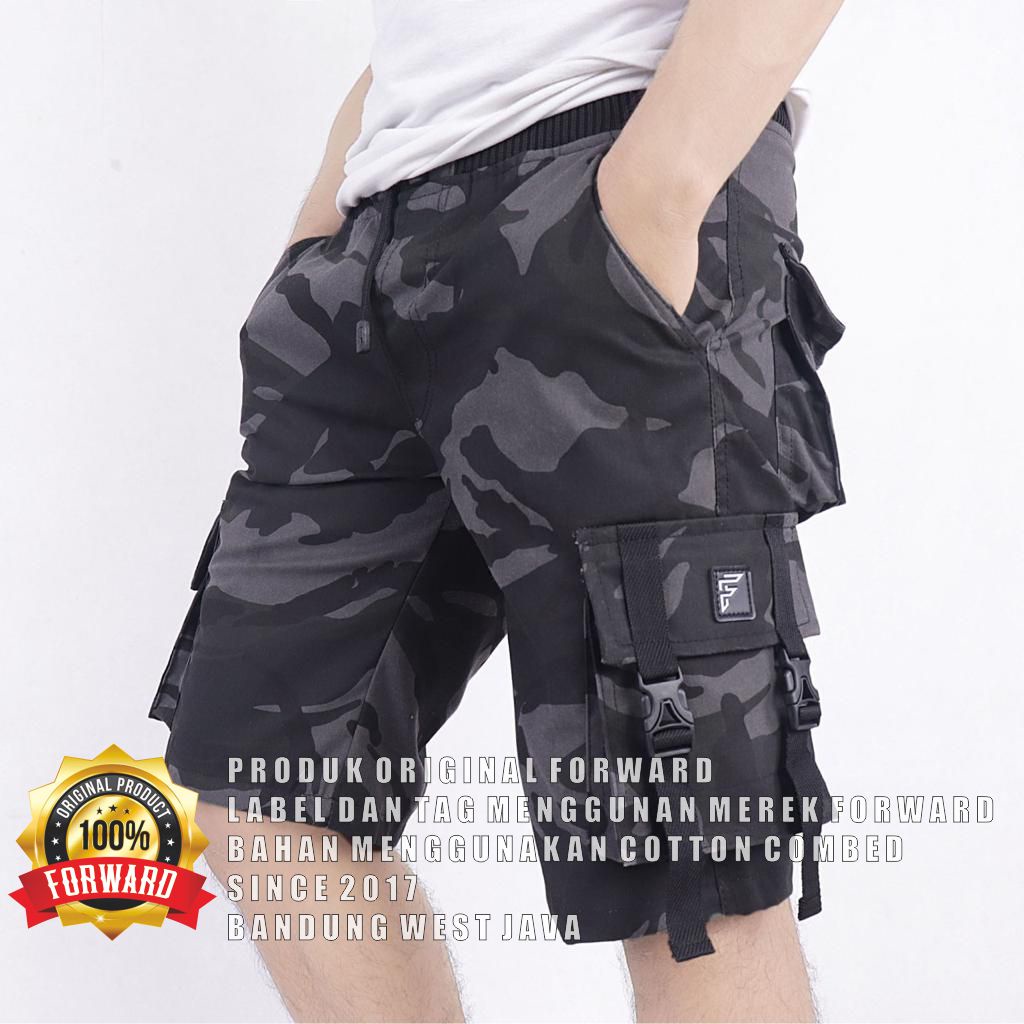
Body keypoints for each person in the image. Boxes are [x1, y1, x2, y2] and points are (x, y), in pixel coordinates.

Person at [151, 1, 847, 1019]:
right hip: (376, 233)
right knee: (265, 795)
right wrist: (322, 226)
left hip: (607, 174)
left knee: (686, 861)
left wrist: (660, 187)